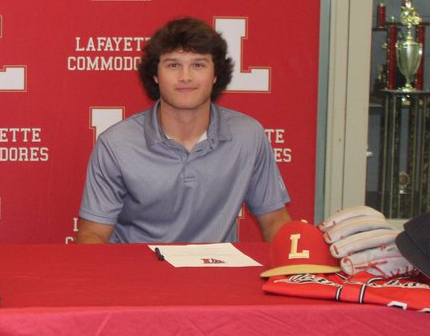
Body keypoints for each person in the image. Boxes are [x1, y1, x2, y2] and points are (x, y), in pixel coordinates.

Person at [76, 17, 290, 244]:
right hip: (138, 275)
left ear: (215, 74)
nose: (185, 77)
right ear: (155, 75)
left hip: (217, 274)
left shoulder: (248, 135)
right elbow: (93, 235)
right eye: (173, 65)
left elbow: (275, 221)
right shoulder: (116, 143)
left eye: (198, 65)